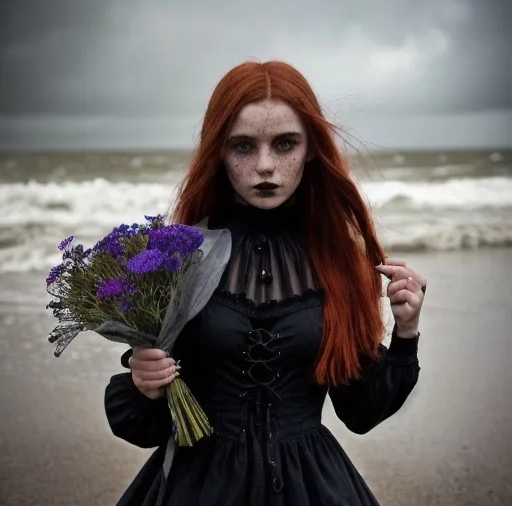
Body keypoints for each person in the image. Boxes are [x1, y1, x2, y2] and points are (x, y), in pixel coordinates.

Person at [104, 60, 426, 506]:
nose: (265, 166)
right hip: (197, 487)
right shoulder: (178, 258)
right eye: (243, 146)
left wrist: (405, 334)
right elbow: (145, 426)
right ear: (218, 151)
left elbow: (359, 411)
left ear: (312, 148)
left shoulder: (339, 263)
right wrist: (144, 385)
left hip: (310, 486)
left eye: (285, 143)